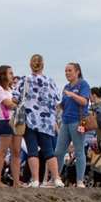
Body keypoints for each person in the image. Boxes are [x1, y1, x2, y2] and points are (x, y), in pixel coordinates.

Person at [18, 55, 62, 188]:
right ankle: (57, 179)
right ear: (43, 65)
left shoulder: (25, 80)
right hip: (46, 122)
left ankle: (36, 180)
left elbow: (15, 98)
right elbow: (58, 101)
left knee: (32, 150)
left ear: (30, 65)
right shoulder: (50, 81)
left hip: (30, 120)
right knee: (49, 151)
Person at [57, 62, 91, 187]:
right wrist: (58, 106)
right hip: (65, 121)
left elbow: (84, 101)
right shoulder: (66, 86)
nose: (67, 73)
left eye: (70, 70)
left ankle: (80, 180)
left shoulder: (83, 84)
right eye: (66, 71)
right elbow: (64, 104)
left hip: (78, 121)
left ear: (77, 72)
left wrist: (72, 95)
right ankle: (56, 177)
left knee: (79, 150)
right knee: (59, 151)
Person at [0, 65, 19, 188]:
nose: (12, 75)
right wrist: (18, 105)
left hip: (16, 120)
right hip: (4, 120)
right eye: (10, 73)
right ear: (3, 75)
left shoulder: (12, 89)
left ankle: (16, 182)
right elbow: (8, 104)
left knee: (16, 151)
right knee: (3, 150)